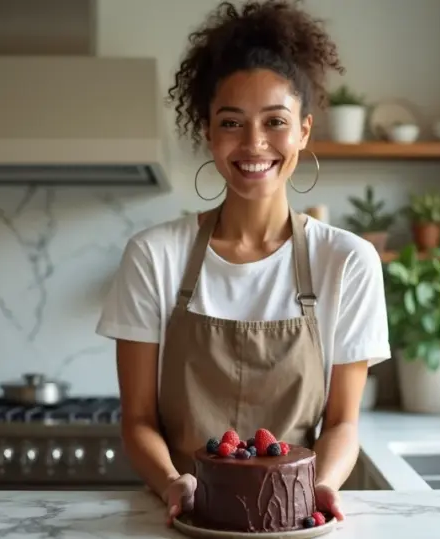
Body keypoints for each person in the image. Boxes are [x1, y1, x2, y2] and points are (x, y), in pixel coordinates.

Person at [95, 0, 390, 527]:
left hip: (298, 523)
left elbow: (343, 422)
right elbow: (138, 420)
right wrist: (172, 482)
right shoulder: (154, 256)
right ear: (208, 132)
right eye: (231, 122)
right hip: (181, 518)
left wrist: (316, 488)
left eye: (274, 121)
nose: (254, 144)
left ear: (303, 130)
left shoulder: (347, 261)